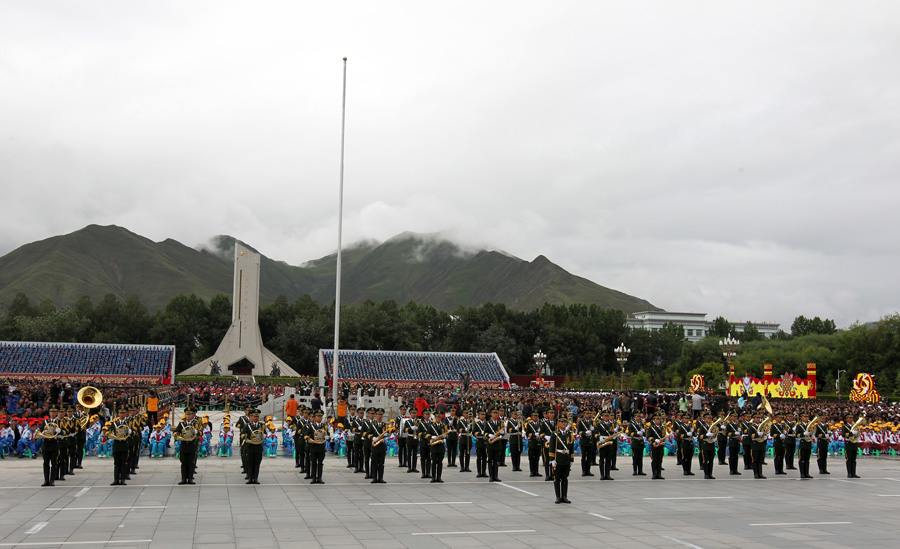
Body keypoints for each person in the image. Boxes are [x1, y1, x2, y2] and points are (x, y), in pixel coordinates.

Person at [549, 414, 573, 504]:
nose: (563, 423)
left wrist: (571, 459)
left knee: (565, 478)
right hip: (558, 458)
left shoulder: (569, 434)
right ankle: (558, 497)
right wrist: (552, 460)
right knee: (557, 478)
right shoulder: (554, 434)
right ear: (558, 423)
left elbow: (571, 447)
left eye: (565, 422)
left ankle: (565, 496)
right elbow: (551, 447)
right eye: (561, 422)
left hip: (566, 458)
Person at [174, 408, 201, 485]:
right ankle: (183, 479)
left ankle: (190, 478)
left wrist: (196, 431)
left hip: (192, 445)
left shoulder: (196, 423)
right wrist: (177, 435)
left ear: (193, 415)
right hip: (183, 445)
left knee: (191, 462)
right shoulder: (182, 424)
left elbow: (201, 432)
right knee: (183, 462)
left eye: (190, 414)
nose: (188, 416)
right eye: (187, 414)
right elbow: (176, 432)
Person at [36, 408, 60, 486]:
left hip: (54, 444)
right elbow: (40, 431)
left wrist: (60, 431)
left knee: (54, 463)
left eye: (54, 412)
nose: (52, 413)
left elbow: (65, 431)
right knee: (45, 463)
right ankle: (46, 480)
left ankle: (52, 480)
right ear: (49, 413)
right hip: (46, 444)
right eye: (51, 412)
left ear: (56, 413)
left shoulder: (59, 421)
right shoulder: (45, 422)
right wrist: (41, 432)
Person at [241, 409, 264, 484]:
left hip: (258, 447)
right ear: (251, 417)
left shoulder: (261, 425)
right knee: (250, 463)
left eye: (257, 416)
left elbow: (265, 434)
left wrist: (263, 436)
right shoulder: (247, 426)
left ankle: (256, 478)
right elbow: (242, 434)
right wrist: (244, 436)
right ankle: (250, 478)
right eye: (254, 416)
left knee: (257, 463)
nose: (256, 418)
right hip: (250, 446)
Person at [306, 410, 327, 484]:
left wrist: (326, 437)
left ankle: (320, 478)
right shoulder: (311, 426)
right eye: (318, 416)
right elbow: (306, 435)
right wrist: (309, 439)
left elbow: (326, 435)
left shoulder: (323, 426)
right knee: (314, 463)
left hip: (321, 447)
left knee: (320, 463)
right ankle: (313, 478)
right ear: (314, 417)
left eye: (320, 416)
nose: (319, 418)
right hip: (313, 447)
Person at [110, 409, 130, 486]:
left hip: (124, 444)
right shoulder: (114, 423)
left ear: (125, 414)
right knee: (116, 463)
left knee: (123, 463)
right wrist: (115, 436)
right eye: (120, 413)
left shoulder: (127, 422)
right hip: (116, 444)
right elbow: (110, 432)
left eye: (123, 413)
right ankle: (116, 479)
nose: (122, 415)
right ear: (118, 414)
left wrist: (128, 432)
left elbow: (129, 432)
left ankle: (123, 479)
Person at [368, 408, 388, 483]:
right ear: (375, 415)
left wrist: (386, 435)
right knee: (374, 462)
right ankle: (374, 478)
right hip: (375, 445)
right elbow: (368, 434)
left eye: (381, 414)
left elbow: (387, 434)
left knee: (381, 463)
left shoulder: (384, 425)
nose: (379, 416)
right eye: (378, 414)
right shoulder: (372, 424)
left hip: (382, 446)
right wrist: (372, 437)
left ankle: (381, 478)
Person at [427, 411, 446, 483]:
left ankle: (439, 477)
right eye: (437, 417)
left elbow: (445, 434)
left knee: (440, 462)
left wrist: (444, 436)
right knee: (434, 462)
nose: (438, 418)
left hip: (441, 446)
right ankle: (433, 477)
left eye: (439, 417)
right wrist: (433, 437)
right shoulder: (431, 426)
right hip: (434, 446)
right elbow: (427, 435)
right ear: (435, 418)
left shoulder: (443, 426)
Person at [485, 408, 504, 482]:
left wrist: (498, 437)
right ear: (491, 414)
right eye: (494, 413)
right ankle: (491, 476)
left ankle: (495, 476)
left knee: (496, 461)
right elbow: (485, 433)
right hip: (490, 443)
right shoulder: (487, 423)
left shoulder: (500, 423)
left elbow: (502, 433)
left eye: (496, 413)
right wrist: (490, 436)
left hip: (497, 443)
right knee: (490, 460)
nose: (495, 414)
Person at [647, 414, 666, 480]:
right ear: (654, 420)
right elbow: (648, 437)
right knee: (654, 460)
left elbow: (664, 436)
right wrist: (654, 440)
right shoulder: (651, 427)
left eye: (659, 419)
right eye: (656, 419)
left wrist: (663, 441)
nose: (658, 420)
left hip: (661, 445)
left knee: (660, 460)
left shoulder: (662, 427)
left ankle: (659, 474)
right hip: (654, 445)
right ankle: (654, 474)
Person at [576, 410, 595, 476]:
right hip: (584, 441)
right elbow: (578, 431)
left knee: (589, 457)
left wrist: (592, 431)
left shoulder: (591, 421)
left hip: (590, 441)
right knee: (584, 457)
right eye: (587, 413)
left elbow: (593, 430)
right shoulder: (581, 421)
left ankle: (588, 471)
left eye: (589, 413)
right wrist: (585, 433)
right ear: (584, 414)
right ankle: (584, 471)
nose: (588, 415)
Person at [842, 414, 861, 479]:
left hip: (854, 443)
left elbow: (858, 433)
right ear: (846, 419)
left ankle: (854, 473)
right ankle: (849, 473)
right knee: (849, 459)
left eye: (852, 418)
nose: (851, 419)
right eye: (849, 418)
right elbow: (843, 435)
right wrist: (851, 433)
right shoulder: (845, 426)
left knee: (854, 459)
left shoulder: (855, 426)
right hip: (848, 444)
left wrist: (857, 433)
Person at [628, 411, 646, 476]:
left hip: (641, 442)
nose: (638, 418)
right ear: (635, 417)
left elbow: (644, 434)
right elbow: (630, 433)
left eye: (639, 417)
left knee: (640, 458)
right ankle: (635, 471)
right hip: (635, 442)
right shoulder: (631, 424)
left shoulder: (642, 424)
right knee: (635, 457)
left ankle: (640, 471)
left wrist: (644, 432)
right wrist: (637, 433)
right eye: (637, 417)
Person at [796, 414, 814, 479]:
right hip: (803, 443)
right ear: (801, 418)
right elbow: (797, 435)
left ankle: (807, 473)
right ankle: (802, 473)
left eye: (807, 416)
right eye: (805, 416)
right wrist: (803, 434)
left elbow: (812, 432)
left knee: (807, 459)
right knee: (802, 459)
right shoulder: (799, 425)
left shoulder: (810, 425)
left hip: (808, 443)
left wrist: (811, 434)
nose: (806, 418)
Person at [525, 411, 543, 477]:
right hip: (532, 442)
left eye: (536, 416)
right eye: (534, 416)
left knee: (537, 458)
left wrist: (540, 435)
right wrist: (533, 434)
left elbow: (542, 432)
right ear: (532, 417)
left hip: (538, 443)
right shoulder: (529, 424)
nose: (535, 417)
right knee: (531, 458)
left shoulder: (540, 424)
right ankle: (532, 471)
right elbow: (527, 434)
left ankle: (536, 471)